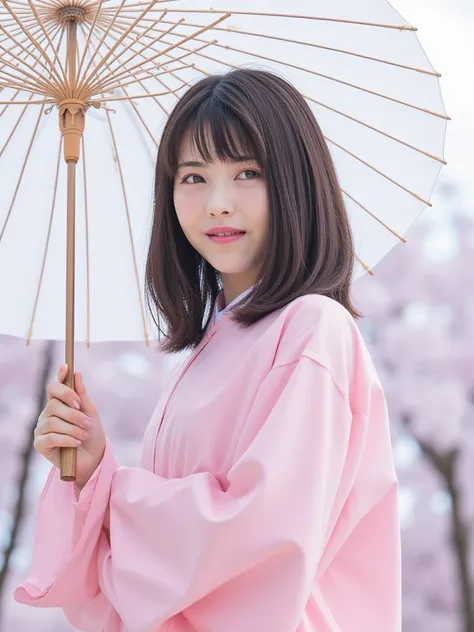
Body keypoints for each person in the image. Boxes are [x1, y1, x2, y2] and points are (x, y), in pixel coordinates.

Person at [14, 69, 401, 631]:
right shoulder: (199, 358)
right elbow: (136, 591)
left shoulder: (314, 330)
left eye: (247, 173)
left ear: (296, 183)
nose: (217, 203)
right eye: (192, 177)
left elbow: (257, 536)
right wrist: (91, 469)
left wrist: (114, 494)